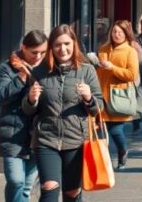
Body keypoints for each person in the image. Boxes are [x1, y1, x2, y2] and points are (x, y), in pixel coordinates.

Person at [23, 25, 103, 202]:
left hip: (75, 141)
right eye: (58, 45)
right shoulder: (40, 72)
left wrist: (89, 98)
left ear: (74, 44)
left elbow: (99, 108)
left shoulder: (86, 71)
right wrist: (31, 99)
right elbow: (28, 110)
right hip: (46, 140)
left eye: (67, 43)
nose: (63, 49)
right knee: (49, 188)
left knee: (72, 193)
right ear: (51, 47)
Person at [0, 30, 47, 202]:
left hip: (36, 135)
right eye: (34, 52)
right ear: (23, 48)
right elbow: (0, 96)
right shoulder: (8, 67)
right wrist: (22, 77)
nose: (38, 56)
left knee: (26, 186)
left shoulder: (45, 68)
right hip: (13, 133)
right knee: (16, 180)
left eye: (43, 52)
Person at [95, 20, 140, 169]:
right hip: (100, 96)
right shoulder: (103, 49)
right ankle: (104, 162)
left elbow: (132, 75)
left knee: (115, 130)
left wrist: (112, 68)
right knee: (100, 132)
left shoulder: (130, 51)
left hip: (118, 97)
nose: (117, 35)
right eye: (114, 31)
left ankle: (122, 150)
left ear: (126, 34)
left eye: (120, 32)